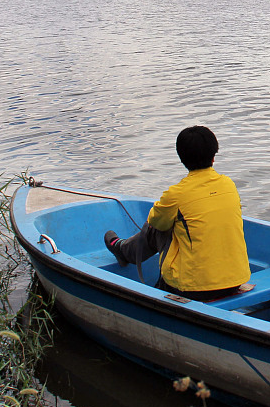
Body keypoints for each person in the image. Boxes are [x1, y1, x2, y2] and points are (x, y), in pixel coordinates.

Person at [104, 126, 251, 300]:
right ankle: (124, 249)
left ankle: (122, 250)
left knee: (159, 230)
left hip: (193, 288)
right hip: (236, 280)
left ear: (182, 159)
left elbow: (155, 222)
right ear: (213, 157)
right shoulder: (229, 185)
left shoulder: (177, 194)